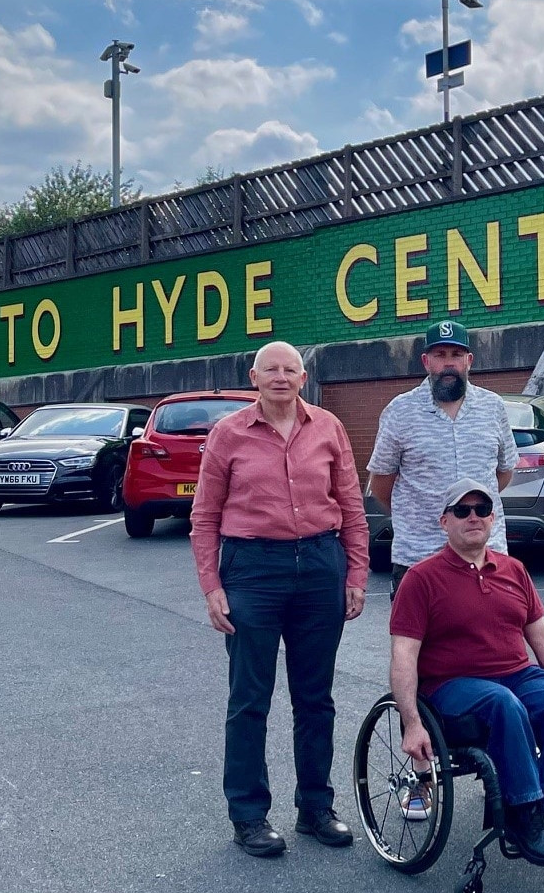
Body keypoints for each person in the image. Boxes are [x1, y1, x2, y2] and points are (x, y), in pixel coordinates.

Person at [190, 340, 370, 858]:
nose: (281, 377)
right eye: (271, 369)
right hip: (253, 571)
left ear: (303, 378)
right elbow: (204, 517)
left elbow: (352, 508)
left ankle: (316, 807)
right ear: (254, 376)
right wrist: (212, 587)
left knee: (315, 698)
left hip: (319, 566)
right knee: (250, 698)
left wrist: (355, 572)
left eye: (290, 369)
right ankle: (248, 815)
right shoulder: (228, 434)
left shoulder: (329, 428)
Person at [390, 479, 544, 866]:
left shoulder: (513, 570)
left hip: (514, 674)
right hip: (451, 687)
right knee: (503, 703)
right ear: (444, 521)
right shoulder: (421, 579)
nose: (473, 517)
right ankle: (523, 816)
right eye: (462, 511)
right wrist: (411, 722)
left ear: (493, 518)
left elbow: (542, 637)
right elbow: (404, 655)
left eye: (481, 510)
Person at [368, 320, 518, 594]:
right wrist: (419, 514)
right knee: (417, 638)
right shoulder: (400, 411)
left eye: (456, 355)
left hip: (486, 555)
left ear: (469, 360)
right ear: (426, 361)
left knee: (489, 636)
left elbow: (503, 473)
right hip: (419, 557)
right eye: (440, 355)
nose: (448, 363)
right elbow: (380, 484)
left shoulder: (493, 407)